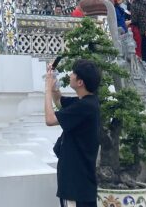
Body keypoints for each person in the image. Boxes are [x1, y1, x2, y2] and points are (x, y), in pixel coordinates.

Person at [45, 58, 101, 207]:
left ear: (80, 82)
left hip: (76, 185)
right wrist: (53, 81)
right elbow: (59, 101)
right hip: (79, 183)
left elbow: (50, 119)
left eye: (73, 73)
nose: (70, 75)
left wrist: (46, 88)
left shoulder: (85, 106)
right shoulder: (86, 102)